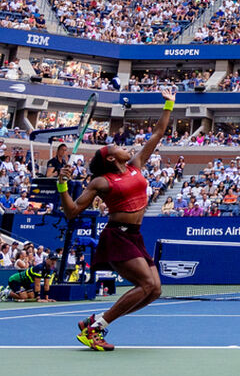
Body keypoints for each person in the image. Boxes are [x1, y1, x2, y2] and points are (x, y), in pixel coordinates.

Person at [59, 88, 175, 351]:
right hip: (117, 235)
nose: (125, 147)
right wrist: (62, 186)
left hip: (135, 236)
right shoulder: (102, 181)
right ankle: (96, 328)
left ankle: (94, 320)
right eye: (118, 147)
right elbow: (72, 212)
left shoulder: (135, 165)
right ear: (110, 158)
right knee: (146, 284)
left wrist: (168, 104)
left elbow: (157, 133)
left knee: (155, 290)